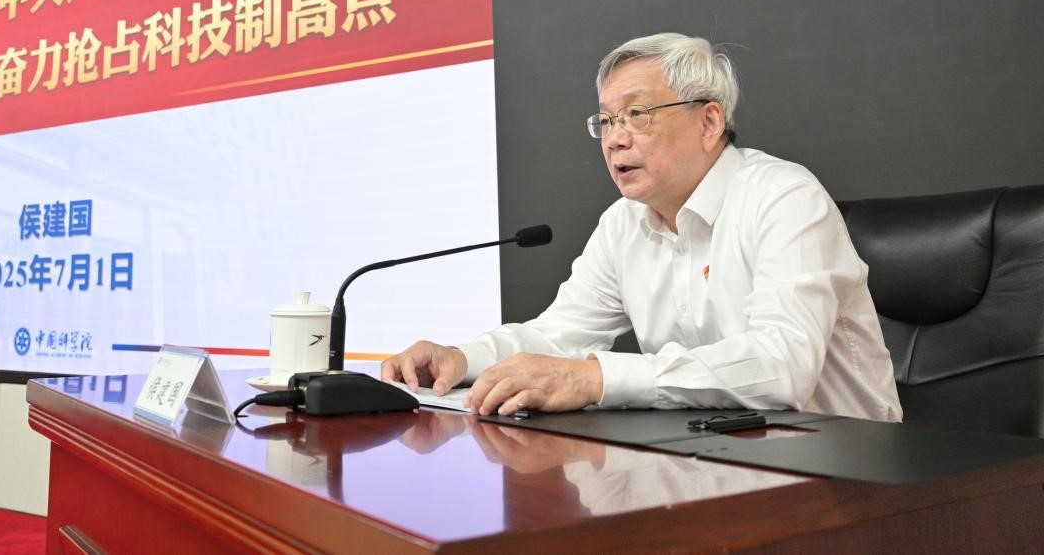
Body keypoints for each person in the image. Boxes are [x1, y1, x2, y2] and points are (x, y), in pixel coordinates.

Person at [381, 33, 902, 422]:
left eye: (637, 114)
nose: (615, 139)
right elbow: (556, 336)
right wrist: (462, 358)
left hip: (851, 472)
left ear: (709, 122)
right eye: (607, 121)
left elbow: (781, 366)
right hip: (717, 458)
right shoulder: (623, 223)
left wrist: (595, 378)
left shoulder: (784, 198)